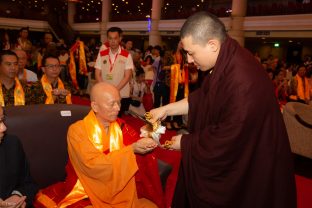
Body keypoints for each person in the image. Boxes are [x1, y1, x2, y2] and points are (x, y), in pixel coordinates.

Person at [149, 11, 296, 208]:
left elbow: (230, 135)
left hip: (255, 159)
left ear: (212, 45)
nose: (189, 61)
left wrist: (186, 142)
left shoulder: (242, 79)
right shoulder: (227, 58)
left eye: (191, 53)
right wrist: (166, 109)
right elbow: (203, 98)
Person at [35, 82, 164, 208]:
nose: (118, 108)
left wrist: (146, 142)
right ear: (95, 106)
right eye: (111, 104)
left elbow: (140, 160)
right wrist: (131, 150)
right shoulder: (77, 130)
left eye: (118, 102)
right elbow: (92, 166)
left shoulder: (123, 127)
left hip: (122, 190)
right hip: (86, 190)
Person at [0, 106, 38, 208]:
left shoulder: (12, 144)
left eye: (2, 120)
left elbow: (29, 183)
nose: (4, 127)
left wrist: (17, 195)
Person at [95, 27, 134, 117]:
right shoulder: (102, 54)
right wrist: (104, 90)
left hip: (121, 94)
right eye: (110, 38)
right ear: (107, 39)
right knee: (104, 118)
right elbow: (97, 73)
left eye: (115, 38)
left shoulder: (126, 55)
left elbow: (127, 76)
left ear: (120, 38)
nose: (112, 41)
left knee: (117, 119)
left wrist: (114, 90)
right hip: (105, 94)